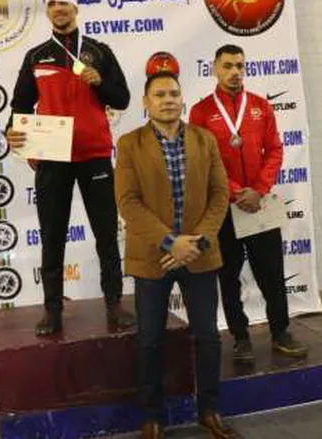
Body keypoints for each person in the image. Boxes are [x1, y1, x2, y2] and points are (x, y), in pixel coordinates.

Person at [115, 71, 241, 439]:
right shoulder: (129, 143)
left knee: (208, 337)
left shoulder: (205, 139)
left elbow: (220, 195)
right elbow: (128, 202)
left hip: (199, 254)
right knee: (150, 339)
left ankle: (210, 411)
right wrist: (171, 242)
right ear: (146, 102)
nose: (168, 100)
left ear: (182, 99)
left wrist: (196, 242)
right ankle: (153, 417)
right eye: (159, 95)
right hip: (152, 256)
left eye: (173, 93)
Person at [5, 0, 134, 335]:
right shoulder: (36, 56)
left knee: (106, 234)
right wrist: (12, 131)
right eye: (51, 4)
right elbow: (20, 105)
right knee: (52, 236)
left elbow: (122, 99)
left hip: (94, 156)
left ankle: (114, 302)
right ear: (47, 12)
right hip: (53, 157)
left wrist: (100, 82)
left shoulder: (99, 52)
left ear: (75, 9)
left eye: (63, 3)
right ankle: (52, 309)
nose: (58, 9)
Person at [189, 44, 308, 362]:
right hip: (223, 208)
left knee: (272, 273)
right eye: (227, 65)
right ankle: (240, 338)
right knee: (228, 277)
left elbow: (275, 149)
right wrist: (234, 192)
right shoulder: (201, 112)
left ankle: (281, 332)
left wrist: (259, 189)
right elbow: (202, 159)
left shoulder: (260, 106)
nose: (234, 72)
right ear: (214, 68)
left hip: (259, 205)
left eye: (240, 66)